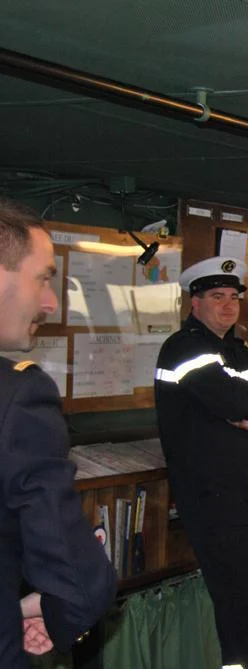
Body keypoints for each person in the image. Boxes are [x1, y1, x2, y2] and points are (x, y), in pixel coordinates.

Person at [154, 256, 248, 669]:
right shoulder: (185, 349)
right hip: (212, 495)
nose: (228, 305)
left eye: (233, 297)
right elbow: (236, 401)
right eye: (217, 296)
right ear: (194, 302)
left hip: (247, 490)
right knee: (243, 601)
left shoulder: (237, 351)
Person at [0, 198, 117, 668]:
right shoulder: (18, 398)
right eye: (43, 278)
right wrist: (55, 611)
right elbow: (77, 577)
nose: (50, 302)